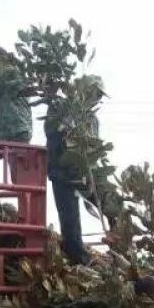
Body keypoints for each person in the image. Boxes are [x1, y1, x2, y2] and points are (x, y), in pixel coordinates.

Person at [44, 75, 107, 265]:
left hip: (87, 176)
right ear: (84, 90)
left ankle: (121, 247)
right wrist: (67, 127)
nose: (97, 98)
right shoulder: (60, 107)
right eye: (94, 93)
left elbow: (94, 148)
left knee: (112, 206)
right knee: (70, 221)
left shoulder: (93, 119)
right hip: (63, 173)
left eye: (99, 96)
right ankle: (79, 261)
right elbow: (50, 131)